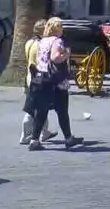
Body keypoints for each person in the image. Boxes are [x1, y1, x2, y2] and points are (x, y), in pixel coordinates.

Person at [25, 18, 83, 148]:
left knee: (41, 110)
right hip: (56, 80)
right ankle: (68, 138)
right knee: (62, 110)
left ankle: (34, 140)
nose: (62, 29)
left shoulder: (42, 41)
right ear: (57, 29)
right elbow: (55, 58)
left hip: (42, 79)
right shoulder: (57, 41)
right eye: (61, 26)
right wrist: (66, 54)